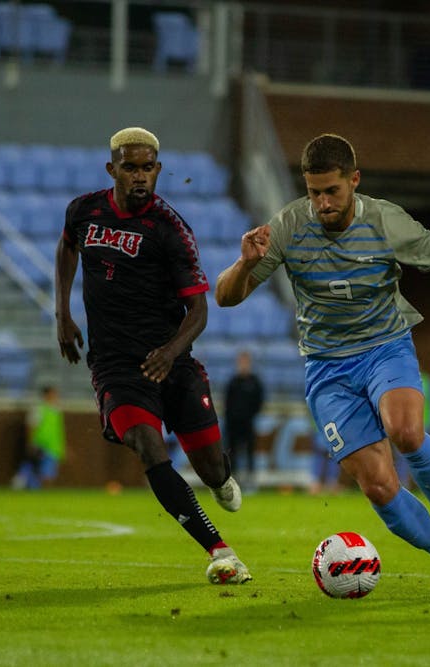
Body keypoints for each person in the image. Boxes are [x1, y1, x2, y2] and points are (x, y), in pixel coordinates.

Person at [215, 133, 430, 596]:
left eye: (332, 191)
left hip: (384, 347)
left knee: (406, 432)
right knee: (376, 484)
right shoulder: (288, 226)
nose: (322, 203)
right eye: (314, 193)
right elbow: (226, 297)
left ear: (354, 180)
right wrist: (244, 265)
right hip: (326, 368)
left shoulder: (386, 222)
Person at [55, 127, 251, 586]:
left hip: (173, 363)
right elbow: (67, 247)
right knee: (148, 446)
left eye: (147, 168)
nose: (140, 176)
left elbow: (199, 311)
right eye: (130, 167)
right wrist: (62, 313)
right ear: (112, 169)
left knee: (211, 468)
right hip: (115, 367)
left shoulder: (170, 229)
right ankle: (220, 551)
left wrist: (170, 351)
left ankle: (220, 478)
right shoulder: (83, 211)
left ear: (158, 170)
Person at [223, 350, 264, 486]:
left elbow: (259, 401)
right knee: (232, 452)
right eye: (241, 362)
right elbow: (227, 403)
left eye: (245, 362)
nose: (243, 365)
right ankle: (232, 480)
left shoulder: (255, 382)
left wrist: (251, 415)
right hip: (233, 424)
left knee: (250, 452)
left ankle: (250, 481)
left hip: (248, 423)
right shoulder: (233, 382)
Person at [12, 385, 66, 490]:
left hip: (53, 448)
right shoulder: (39, 409)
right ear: (46, 395)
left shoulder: (56, 411)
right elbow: (31, 426)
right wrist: (30, 442)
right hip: (41, 445)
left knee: (47, 475)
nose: (56, 396)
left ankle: (26, 482)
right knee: (43, 474)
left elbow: (58, 431)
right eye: (53, 394)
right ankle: (25, 482)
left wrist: (62, 447)